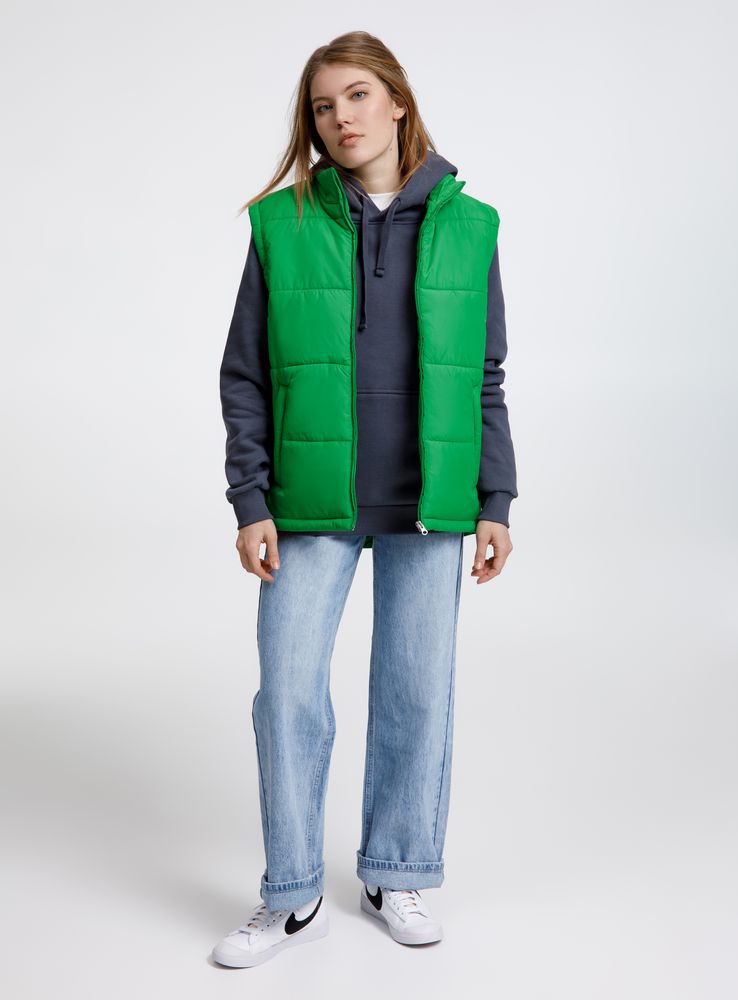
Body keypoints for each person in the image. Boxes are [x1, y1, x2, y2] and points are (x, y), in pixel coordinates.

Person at [213, 30, 518, 968]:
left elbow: (485, 377)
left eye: (354, 96)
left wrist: (496, 498)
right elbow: (244, 374)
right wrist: (250, 499)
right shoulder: (281, 224)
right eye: (321, 106)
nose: (338, 118)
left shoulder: (473, 226)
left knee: (417, 694)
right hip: (309, 502)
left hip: (430, 501)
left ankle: (398, 869)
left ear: (396, 101)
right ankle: (292, 890)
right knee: (287, 693)